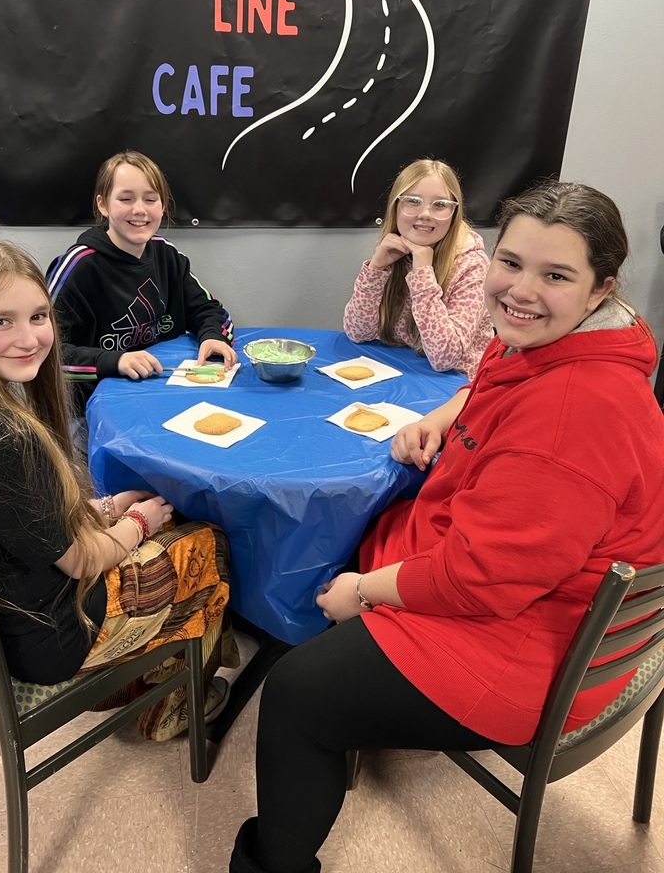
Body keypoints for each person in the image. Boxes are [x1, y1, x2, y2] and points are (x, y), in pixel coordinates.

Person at [230, 180, 664, 873]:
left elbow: (482, 577)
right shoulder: (559, 340)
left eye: (555, 275)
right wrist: (447, 412)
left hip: (530, 641)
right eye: (512, 263)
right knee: (362, 528)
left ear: (599, 288)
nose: (521, 290)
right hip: (533, 585)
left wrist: (364, 593)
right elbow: (490, 378)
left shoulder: (574, 415)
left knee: (297, 694)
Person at [0, 240, 235, 741]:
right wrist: (139, 524)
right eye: (0, 322)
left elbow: (20, 521)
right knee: (208, 542)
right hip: (44, 637)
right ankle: (175, 703)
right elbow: (80, 562)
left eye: (38, 316)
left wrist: (105, 507)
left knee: (148, 520)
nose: (30, 338)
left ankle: (146, 672)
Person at [46, 150, 237, 407]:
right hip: (92, 410)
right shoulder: (77, 267)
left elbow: (208, 309)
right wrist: (116, 360)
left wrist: (213, 336)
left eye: (150, 199)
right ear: (103, 204)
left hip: (163, 393)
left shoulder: (167, 255)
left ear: (162, 206)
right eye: (125, 198)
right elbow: (46, 353)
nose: (139, 210)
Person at [343, 158, 493, 379]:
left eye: (440, 205)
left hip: (457, 386)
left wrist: (422, 275)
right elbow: (358, 332)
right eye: (413, 201)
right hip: (404, 372)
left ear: (454, 213)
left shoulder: (473, 266)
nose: (425, 214)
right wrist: (375, 270)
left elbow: (445, 358)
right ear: (396, 206)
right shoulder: (395, 250)